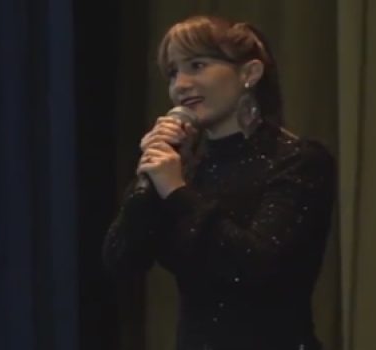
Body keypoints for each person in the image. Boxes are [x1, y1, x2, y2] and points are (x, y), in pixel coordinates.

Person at [102, 15, 336, 350]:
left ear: (249, 74)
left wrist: (178, 193)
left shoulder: (297, 161)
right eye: (172, 73)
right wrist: (151, 183)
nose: (181, 84)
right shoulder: (187, 167)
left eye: (197, 65)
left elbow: (257, 266)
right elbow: (121, 261)